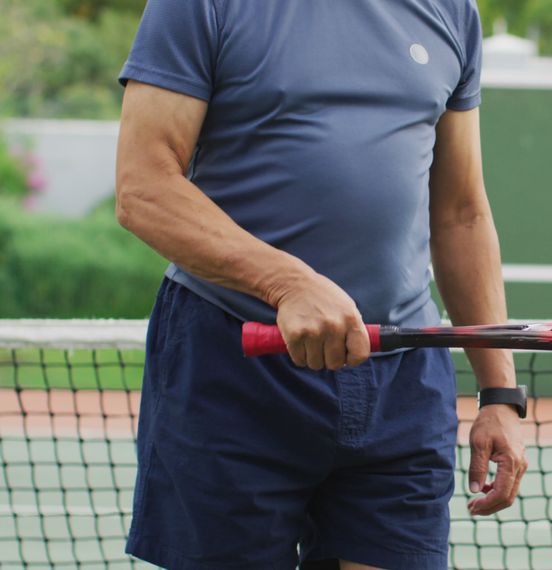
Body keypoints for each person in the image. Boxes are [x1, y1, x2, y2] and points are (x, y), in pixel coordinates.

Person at [114, 1, 527, 568]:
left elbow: (460, 213)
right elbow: (144, 188)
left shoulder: (452, 10)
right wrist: (286, 283)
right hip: (232, 369)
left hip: (402, 379)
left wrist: (500, 394)